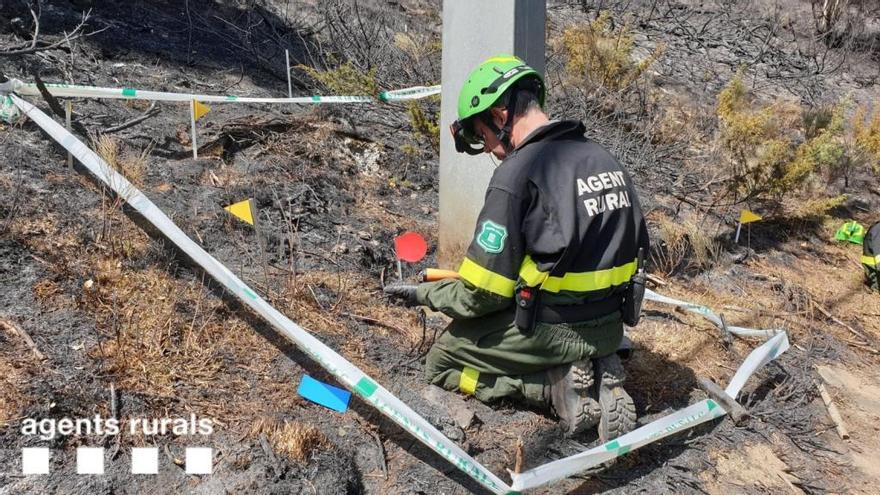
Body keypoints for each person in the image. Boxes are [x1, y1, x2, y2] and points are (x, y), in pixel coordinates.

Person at [385, 55, 650, 441]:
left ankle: (549, 386)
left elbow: (482, 295)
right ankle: (597, 365)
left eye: (482, 135)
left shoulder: (516, 175)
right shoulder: (603, 159)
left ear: (499, 112)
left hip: (552, 329)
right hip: (611, 326)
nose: (489, 148)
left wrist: (427, 295)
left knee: (443, 360)